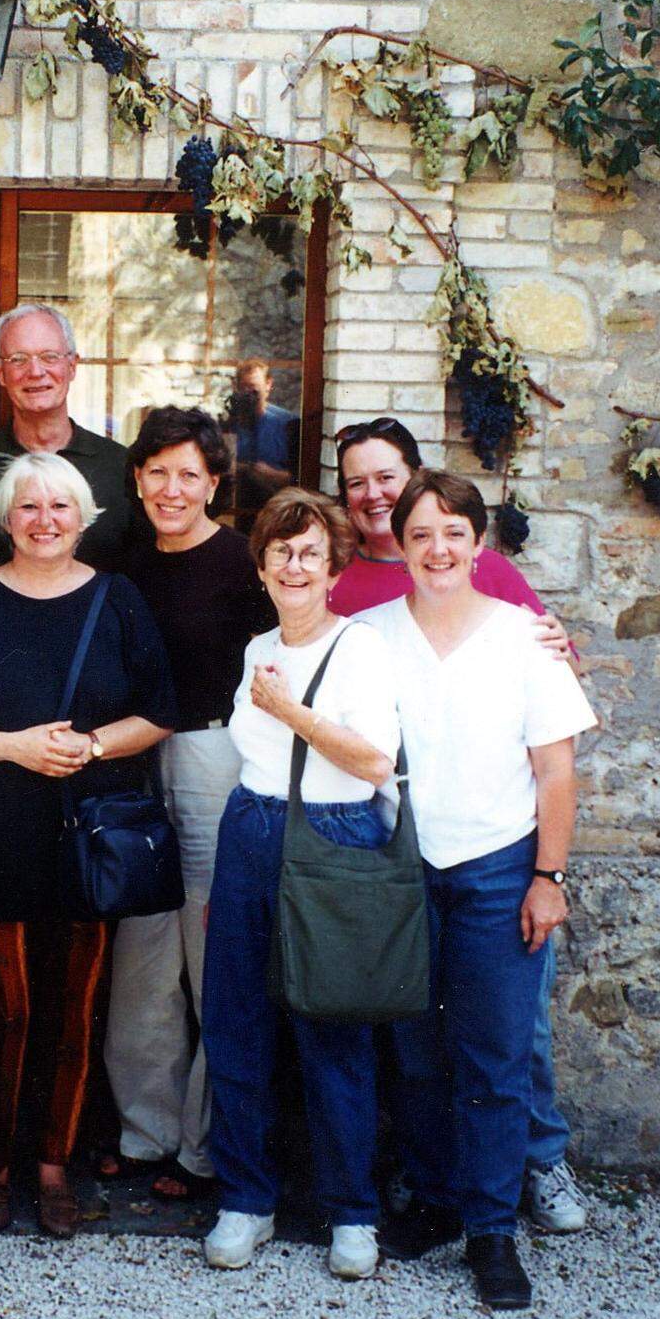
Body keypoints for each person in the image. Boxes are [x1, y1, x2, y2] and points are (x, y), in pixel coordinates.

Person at [329, 416, 588, 1236]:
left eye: (453, 533)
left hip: (497, 867)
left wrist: (548, 878)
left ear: (478, 544)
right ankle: (437, 1202)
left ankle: (492, 1229)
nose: (437, 548)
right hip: (405, 866)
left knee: (497, 1053)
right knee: (414, 1051)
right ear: (400, 545)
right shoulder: (370, 635)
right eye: (420, 535)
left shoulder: (522, 634)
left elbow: (556, 768)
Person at [0, 452, 177, 1239]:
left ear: (84, 517)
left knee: (73, 1012)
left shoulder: (117, 598)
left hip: (85, 837)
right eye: (28, 507)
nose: (44, 521)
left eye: (59, 507)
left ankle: (54, 1166)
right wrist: (15, 748)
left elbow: (159, 710)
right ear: (5, 519)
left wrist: (91, 746)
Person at [200, 488, 400, 1275]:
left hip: (335, 833)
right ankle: (246, 1201)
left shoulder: (359, 648)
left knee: (333, 1024)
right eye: (280, 551)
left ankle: (352, 1213)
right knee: (237, 1019)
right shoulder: (258, 648)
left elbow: (375, 761)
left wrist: (291, 710)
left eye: (310, 552)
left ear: (334, 568)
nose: (294, 565)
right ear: (261, 567)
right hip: (252, 828)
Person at [104, 406, 271, 1200]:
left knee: (211, 953)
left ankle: (205, 1149)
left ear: (213, 484)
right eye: (158, 472)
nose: (172, 489)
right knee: (142, 957)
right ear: (137, 479)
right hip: (137, 762)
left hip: (213, 757)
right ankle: (147, 1132)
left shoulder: (243, 563)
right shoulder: (127, 564)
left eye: (189, 475)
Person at [0, 303, 138, 588]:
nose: (36, 371)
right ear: (0, 371)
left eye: (49, 357)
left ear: (72, 365)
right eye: (18, 359)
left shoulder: (120, 466)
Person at [227, 359, 300, 527]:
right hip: (240, 510)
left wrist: (274, 475)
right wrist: (244, 468)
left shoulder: (289, 424)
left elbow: (302, 476)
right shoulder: (230, 423)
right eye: (243, 387)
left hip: (280, 513)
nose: (248, 393)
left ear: (268, 384)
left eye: (253, 387)